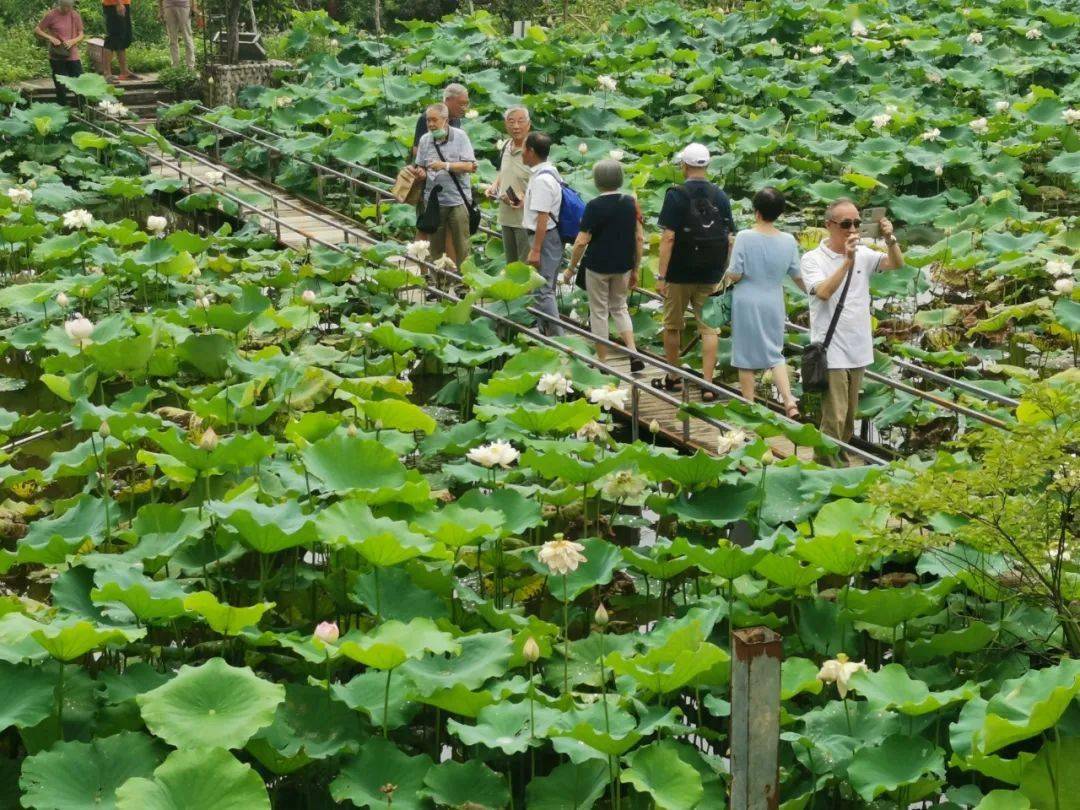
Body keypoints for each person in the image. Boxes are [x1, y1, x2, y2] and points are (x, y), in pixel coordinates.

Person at [801, 198, 904, 459]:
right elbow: (823, 292)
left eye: (857, 223)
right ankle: (824, 465)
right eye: (846, 224)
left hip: (858, 347)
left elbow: (895, 264)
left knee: (848, 417)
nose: (852, 229)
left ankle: (839, 456)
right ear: (829, 225)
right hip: (830, 348)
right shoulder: (812, 259)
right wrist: (846, 261)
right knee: (833, 416)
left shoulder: (865, 254)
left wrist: (890, 239)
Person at [653, 142, 736, 400]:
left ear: (684, 166)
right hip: (710, 273)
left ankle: (674, 376)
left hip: (678, 273)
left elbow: (668, 238)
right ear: (707, 165)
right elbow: (731, 238)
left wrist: (661, 275)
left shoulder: (675, 195)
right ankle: (708, 384)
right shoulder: (720, 196)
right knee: (709, 329)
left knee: (672, 325)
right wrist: (724, 271)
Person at [723, 187, 806, 417]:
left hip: (747, 300)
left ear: (756, 211)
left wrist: (730, 253)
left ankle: (749, 407)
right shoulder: (789, 240)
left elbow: (736, 274)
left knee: (745, 357)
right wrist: (816, 293)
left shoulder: (744, 237)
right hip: (774, 300)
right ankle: (789, 401)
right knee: (774, 353)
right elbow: (797, 275)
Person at [563, 159, 643, 369]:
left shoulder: (594, 206)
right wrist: (635, 268)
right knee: (619, 307)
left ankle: (602, 361)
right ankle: (633, 352)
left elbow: (581, 241)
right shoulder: (630, 202)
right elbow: (638, 238)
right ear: (620, 178)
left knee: (598, 311)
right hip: (623, 264)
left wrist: (571, 268)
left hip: (598, 266)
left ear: (597, 181)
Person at [413, 103, 477, 268]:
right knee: (435, 246)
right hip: (433, 201)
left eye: (434, 120)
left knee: (462, 245)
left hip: (457, 199)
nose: (431, 124)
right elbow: (420, 165)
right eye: (428, 121)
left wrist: (445, 165)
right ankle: (439, 285)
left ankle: (464, 285)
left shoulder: (460, 137)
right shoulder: (425, 139)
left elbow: (470, 166)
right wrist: (420, 172)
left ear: (445, 120)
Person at [522, 131, 565, 337]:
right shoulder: (550, 172)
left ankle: (559, 339)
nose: (521, 152)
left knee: (543, 290)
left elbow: (542, 217)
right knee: (544, 288)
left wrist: (536, 250)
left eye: (523, 148)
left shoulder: (541, 180)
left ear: (531, 151)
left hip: (545, 239)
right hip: (550, 237)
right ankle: (544, 332)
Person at [486, 106, 532, 264]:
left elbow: (544, 185)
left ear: (529, 124)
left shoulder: (533, 148)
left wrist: (521, 198)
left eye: (520, 121)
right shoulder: (506, 145)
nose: (516, 126)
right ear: (506, 125)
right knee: (511, 264)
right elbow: (503, 171)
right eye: (511, 122)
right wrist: (494, 186)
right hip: (506, 216)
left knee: (525, 267)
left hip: (526, 219)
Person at [35, 0, 84, 107]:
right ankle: (62, 107)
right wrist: (50, 38)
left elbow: (81, 34)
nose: (66, 9)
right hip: (57, 55)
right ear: (59, 4)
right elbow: (38, 30)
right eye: (64, 7)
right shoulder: (51, 15)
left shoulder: (75, 15)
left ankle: (82, 108)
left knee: (79, 82)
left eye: (69, 7)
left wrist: (72, 41)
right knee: (60, 85)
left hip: (73, 55)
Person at [412, 83, 469, 158]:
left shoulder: (457, 120)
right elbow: (417, 151)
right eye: (461, 104)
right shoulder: (427, 117)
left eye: (466, 104)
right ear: (448, 100)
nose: (464, 108)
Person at [101, 0, 137, 83]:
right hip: (113, 4)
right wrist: (119, 3)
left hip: (123, 3)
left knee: (123, 37)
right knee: (113, 37)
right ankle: (107, 74)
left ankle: (124, 72)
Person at [158, 0, 197, 70]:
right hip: (168, 7)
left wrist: (193, 6)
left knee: (187, 37)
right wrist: (160, 10)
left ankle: (190, 67)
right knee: (172, 39)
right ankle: (175, 67)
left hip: (184, 6)